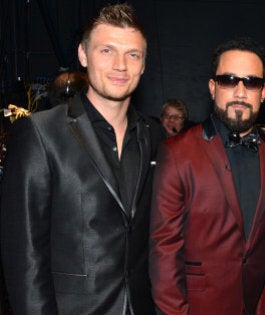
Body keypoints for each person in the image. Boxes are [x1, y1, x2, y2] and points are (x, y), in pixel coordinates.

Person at [0, 3, 162, 314]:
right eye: (106, 51)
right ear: (83, 55)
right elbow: (24, 259)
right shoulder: (40, 134)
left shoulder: (153, 136)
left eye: (133, 54)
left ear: (143, 65)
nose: (120, 65)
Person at [149, 37, 265, 314]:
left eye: (251, 82)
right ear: (213, 88)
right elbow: (164, 252)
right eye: (229, 80)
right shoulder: (176, 152)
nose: (240, 91)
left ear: (263, 92)